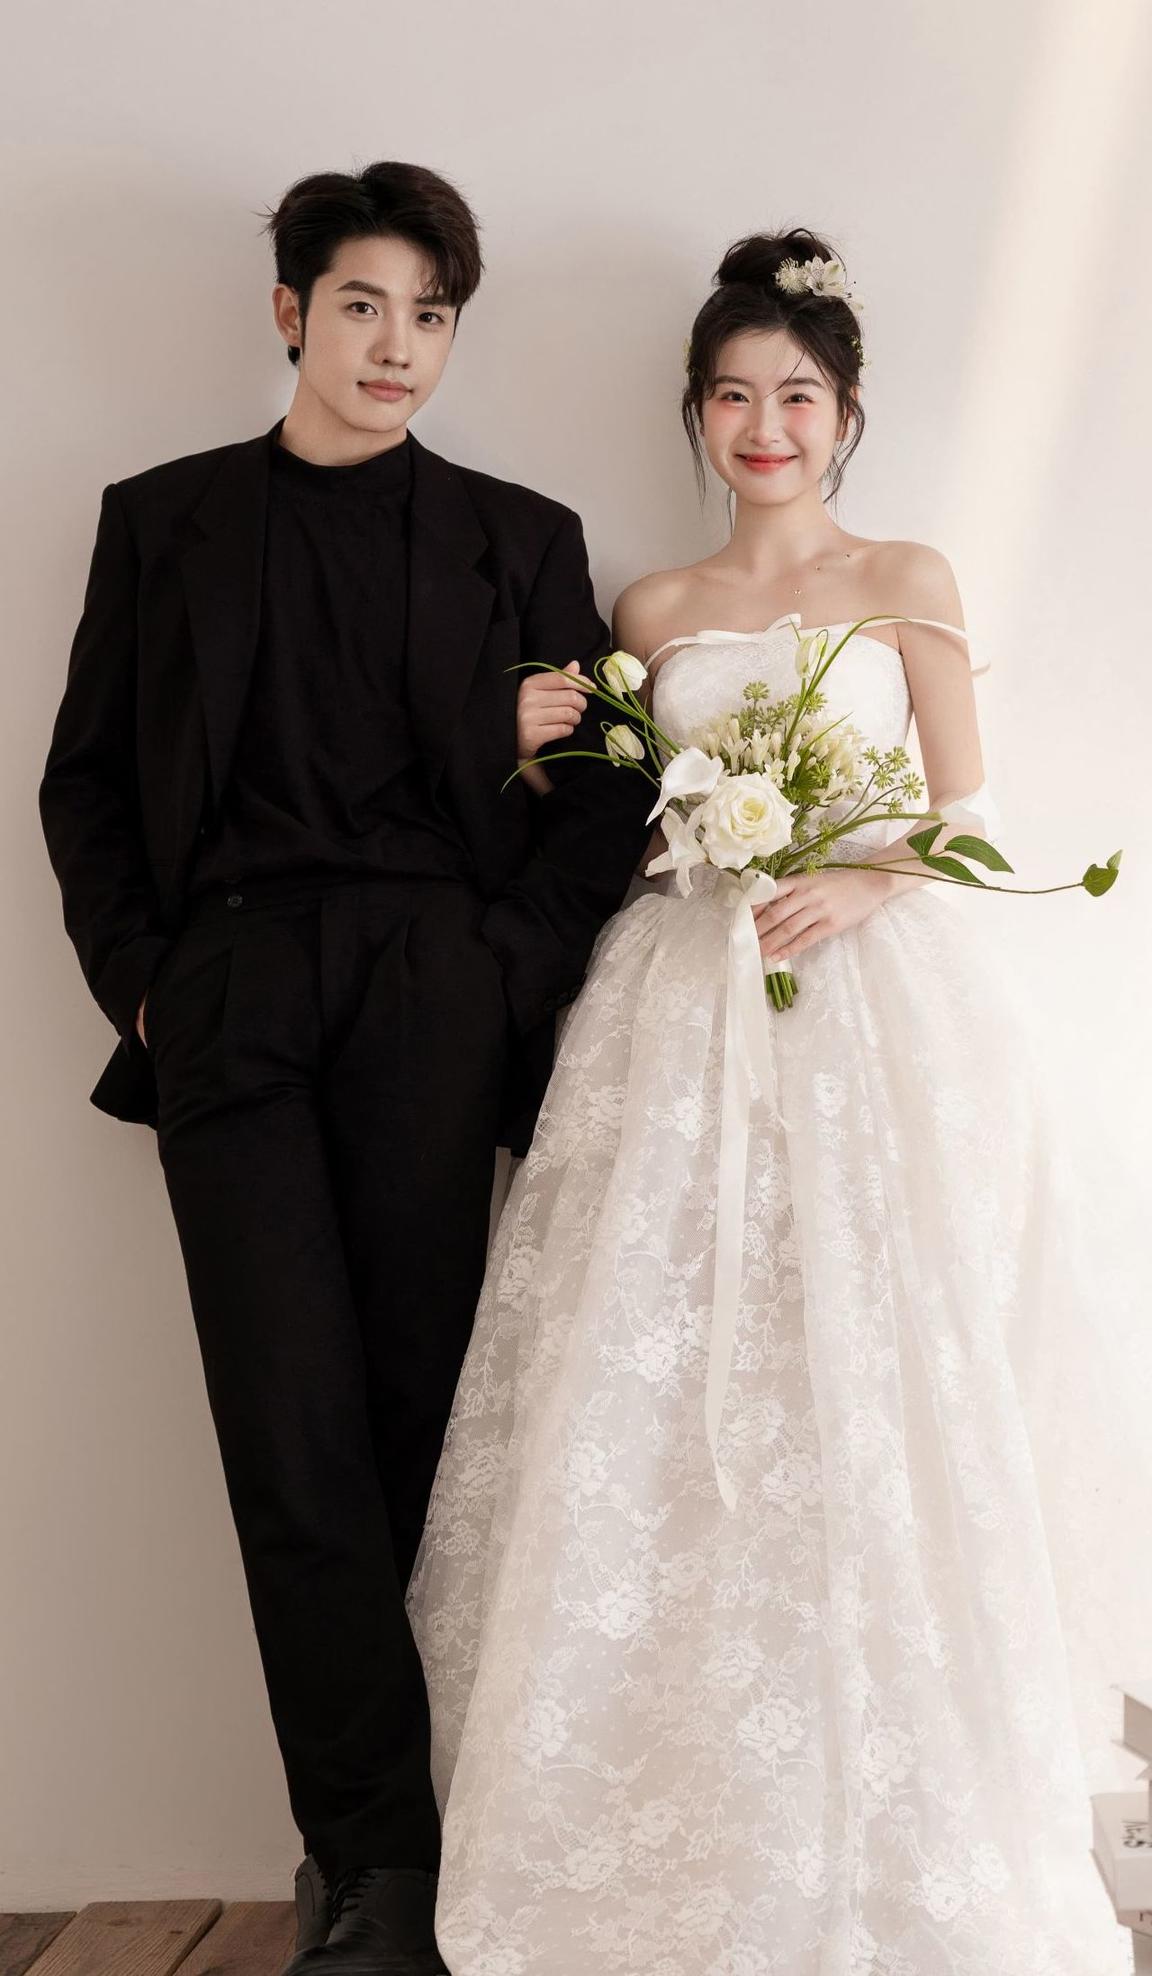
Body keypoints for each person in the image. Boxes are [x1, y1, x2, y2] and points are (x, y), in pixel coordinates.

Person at [407, 228, 1151, 1972]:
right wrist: (538, 747)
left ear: (846, 412)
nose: (764, 427)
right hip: (684, 1000)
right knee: (670, 1375)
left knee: (885, 1367)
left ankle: (905, 1816)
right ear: (696, 412)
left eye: (796, 397)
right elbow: (611, 814)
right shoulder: (653, 610)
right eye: (734, 397)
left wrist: (866, 878)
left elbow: (964, 803)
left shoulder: (905, 573)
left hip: (873, 1003)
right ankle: (671, 1823)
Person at [38, 161, 651, 1976]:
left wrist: (501, 971)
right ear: (291, 311)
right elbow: (85, 783)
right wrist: (146, 988)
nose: (398, 346)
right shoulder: (163, 522)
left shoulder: (517, 537)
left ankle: (443, 1849)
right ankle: (373, 1867)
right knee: (287, 1436)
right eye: (365, 306)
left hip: (430, 988)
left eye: (431, 315)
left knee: (420, 1428)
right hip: (230, 987)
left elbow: (600, 792)